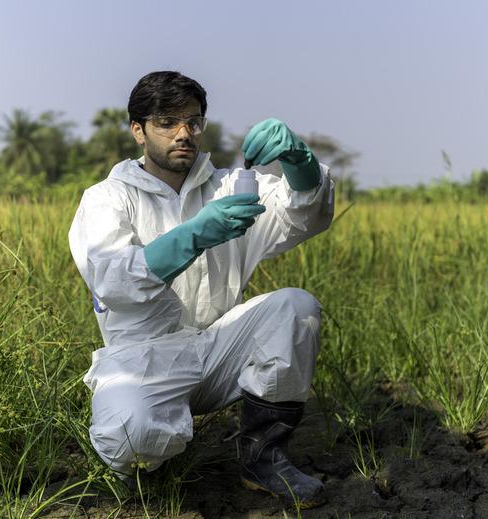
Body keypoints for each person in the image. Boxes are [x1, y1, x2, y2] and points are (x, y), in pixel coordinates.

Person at [68, 71, 335, 508]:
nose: (183, 133)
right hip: (144, 360)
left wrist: (299, 159)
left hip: (217, 349)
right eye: (167, 122)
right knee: (128, 441)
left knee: (296, 307)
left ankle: (262, 458)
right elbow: (113, 281)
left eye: (193, 121)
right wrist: (194, 235)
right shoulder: (108, 198)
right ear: (138, 130)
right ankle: (161, 443)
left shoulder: (230, 187)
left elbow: (304, 214)